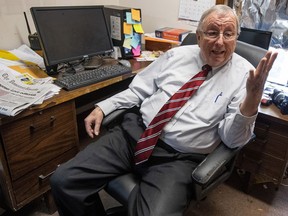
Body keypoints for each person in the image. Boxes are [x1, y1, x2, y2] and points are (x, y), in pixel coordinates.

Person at [50, 4, 278, 216]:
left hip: (178, 158)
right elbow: (138, 89)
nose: (220, 42)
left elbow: (233, 140)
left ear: (236, 39)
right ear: (198, 37)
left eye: (228, 34)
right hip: (133, 134)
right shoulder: (175, 55)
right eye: (211, 32)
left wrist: (252, 98)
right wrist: (103, 107)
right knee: (64, 181)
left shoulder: (247, 77)